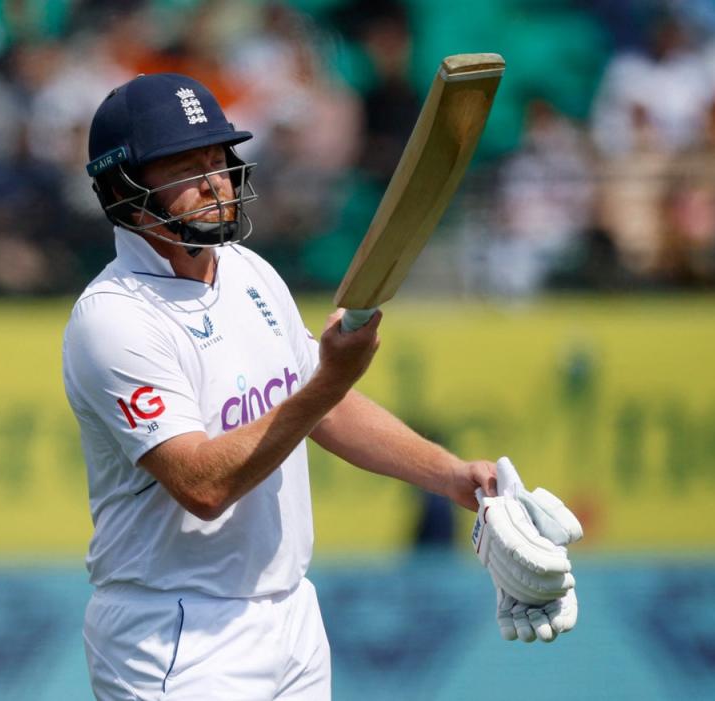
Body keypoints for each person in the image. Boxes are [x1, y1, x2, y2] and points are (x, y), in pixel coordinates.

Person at [62, 73, 573, 701]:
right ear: (124, 191)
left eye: (216, 159)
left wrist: (454, 477)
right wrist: (328, 380)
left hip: (291, 617)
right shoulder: (115, 317)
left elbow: (323, 406)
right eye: (183, 167)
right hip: (177, 631)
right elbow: (202, 484)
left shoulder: (248, 270)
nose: (213, 180)